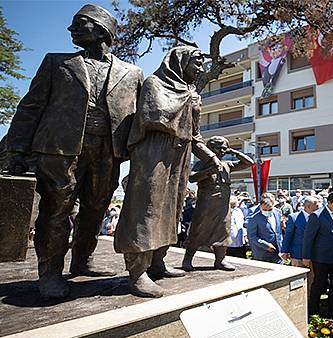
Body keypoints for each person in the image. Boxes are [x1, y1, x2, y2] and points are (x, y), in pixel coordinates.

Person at [0, 4, 143, 298]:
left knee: (96, 207)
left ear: (102, 30)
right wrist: (16, 149)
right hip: (60, 149)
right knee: (56, 209)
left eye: (80, 23)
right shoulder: (57, 63)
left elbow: (141, 116)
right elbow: (30, 108)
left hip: (108, 150)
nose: (71, 29)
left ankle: (82, 260)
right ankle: (50, 272)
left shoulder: (133, 73)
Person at [114, 46, 222, 298]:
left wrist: (211, 156)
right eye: (196, 62)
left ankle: (158, 262)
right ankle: (137, 271)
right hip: (153, 154)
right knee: (147, 210)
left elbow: (195, 135)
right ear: (180, 61)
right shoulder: (155, 83)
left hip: (179, 158)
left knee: (171, 210)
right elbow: (153, 117)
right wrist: (183, 115)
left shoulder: (191, 93)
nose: (201, 69)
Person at [181, 136, 253, 271]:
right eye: (219, 148)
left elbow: (249, 163)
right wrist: (208, 172)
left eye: (224, 148)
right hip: (206, 204)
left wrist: (235, 153)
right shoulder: (203, 162)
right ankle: (187, 260)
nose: (222, 151)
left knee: (223, 231)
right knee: (198, 231)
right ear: (211, 148)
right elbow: (192, 178)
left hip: (223, 206)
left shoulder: (227, 164)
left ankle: (220, 261)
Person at [302, 192, 333, 320]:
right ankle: (313, 310)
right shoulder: (316, 216)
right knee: (319, 284)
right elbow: (308, 237)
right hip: (321, 257)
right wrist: (306, 256)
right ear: (329, 202)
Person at [247, 197, 283, 263]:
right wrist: (266, 245)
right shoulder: (254, 218)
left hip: (277, 251)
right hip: (262, 253)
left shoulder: (277, 213)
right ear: (260, 207)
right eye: (264, 209)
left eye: (270, 209)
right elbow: (252, 236)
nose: (267, 211)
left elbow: (278, 232)